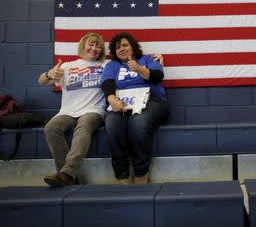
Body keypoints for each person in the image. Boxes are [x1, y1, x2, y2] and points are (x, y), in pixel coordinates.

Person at [38, 33, 108, 186]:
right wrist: (49, 74)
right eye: (91, 44)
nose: (94, 48)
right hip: (68, 112)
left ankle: (67, 172)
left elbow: (128, 66)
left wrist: (152, 59)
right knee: (51, 127)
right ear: (83, 45)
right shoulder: (67, 66)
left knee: (84, 124)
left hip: (93, 110)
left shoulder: (106, 65)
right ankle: (68, 178)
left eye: (98, 46)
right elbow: (41, 81)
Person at [101, 32, 168, 184]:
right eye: (118, 47)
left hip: (152, 101)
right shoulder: (112, 65)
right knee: (112, 124)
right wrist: (112, 99)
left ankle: (141, 174)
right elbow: (107, 84)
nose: (121, 49)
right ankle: (122, 177)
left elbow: (158, 76)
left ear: (133, 46)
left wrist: (139, 69)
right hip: (122, 103)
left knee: (137, 122)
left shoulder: (148, 59)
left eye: (125, 45)